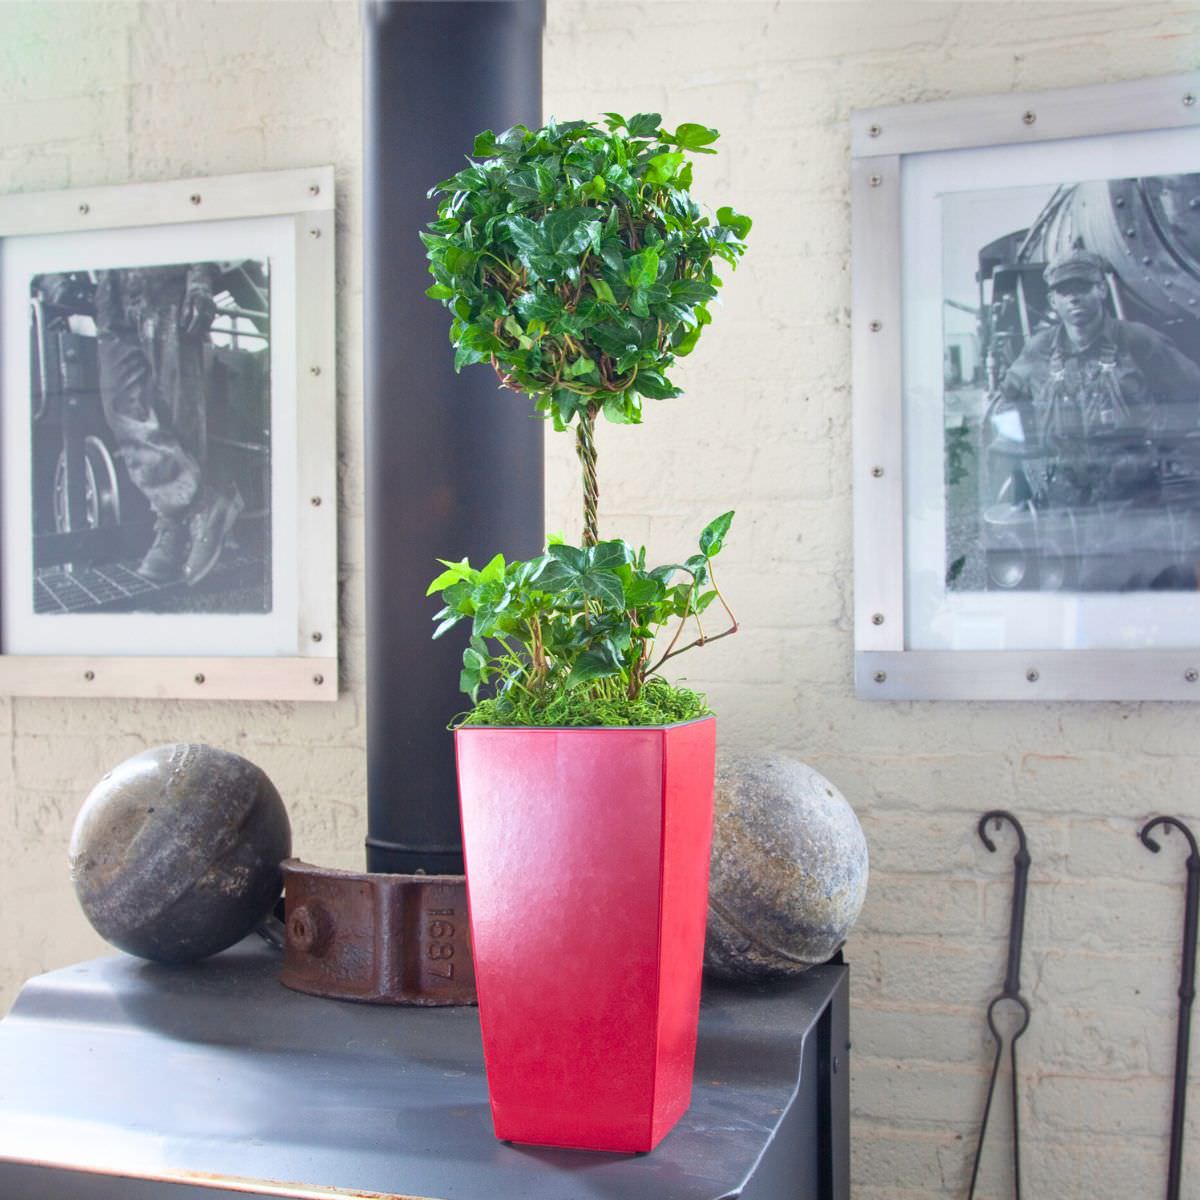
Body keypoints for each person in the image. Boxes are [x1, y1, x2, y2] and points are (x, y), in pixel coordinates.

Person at [94, 263, 243, 585]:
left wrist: (200, 280)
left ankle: (173, 529)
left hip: (165, 277)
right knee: (121, 407)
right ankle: (202, 504)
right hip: (110, 289)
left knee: (178, 409)